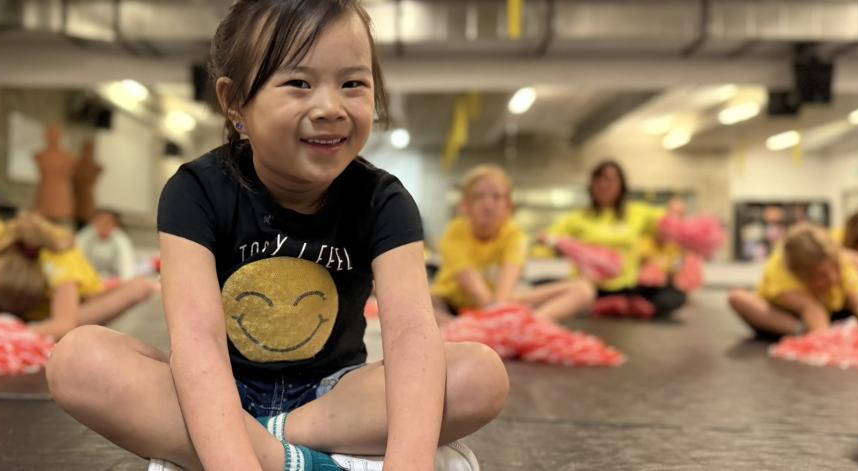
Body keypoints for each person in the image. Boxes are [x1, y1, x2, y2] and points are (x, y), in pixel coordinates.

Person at [45, 2, 508, 470]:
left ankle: (277, 444)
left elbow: (411, 335)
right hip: (218, 387)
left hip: (333, 403)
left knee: (480, 375)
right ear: (234, 102)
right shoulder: (196, 191)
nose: (330, 108)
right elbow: (197, 342)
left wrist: (408, 462)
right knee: (77, 359)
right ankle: (293, 460)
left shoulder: (382, 199)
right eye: (298, 84)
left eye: (353, 84)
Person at [0, 212, 155, 339]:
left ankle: (29, 322)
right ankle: (14, 316)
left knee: (141, 286)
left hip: (57, 309)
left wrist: (1, 333)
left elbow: (64, 323)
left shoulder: (58, 255)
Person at [431, 164, 595, 324]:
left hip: (499, 303)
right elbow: (473, 286)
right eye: (478, 196)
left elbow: (503, 294)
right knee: (424, 301)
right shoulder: (454, 233)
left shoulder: (515, 236)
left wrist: (499, 312)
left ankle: (527, 326)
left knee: (583, 289)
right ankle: (469, 329)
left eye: (497, 197)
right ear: (465, 206)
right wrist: (498, 315)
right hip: (453, 304)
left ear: (508, 207)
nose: (487, 203)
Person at [546, 160, 684, 319]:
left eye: (610, 180)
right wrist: (555, 243)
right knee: (543, 284)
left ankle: (608, 305)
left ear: (621, 185)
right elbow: (548, 237)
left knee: (675, 295)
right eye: (599, 179)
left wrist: (675, 213)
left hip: (628, 287)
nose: (604, 185)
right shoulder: (578, 217)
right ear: (591, 185)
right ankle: (608, 305)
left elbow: (667, 222)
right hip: (589, 286)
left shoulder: (637, 212)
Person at [728, 223, 858, 340]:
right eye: (821, 276)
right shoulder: (783, 275)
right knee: (738, 298)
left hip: (832, 312)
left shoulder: (843, 263)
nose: (833, 278)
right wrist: (827, 339)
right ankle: (802, 331)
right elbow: (814, 312)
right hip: (789, 314)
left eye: (836, 268)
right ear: (802, 277)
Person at [76, 208, 138, 283]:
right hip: (88, 279)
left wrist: (122, 281)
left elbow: (127, 266)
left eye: (108, 222)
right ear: (94, 222)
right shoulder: (84, 237)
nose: (104, 225)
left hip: (114, 279)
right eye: (100, 221)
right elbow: (76, 261)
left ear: (115, 224)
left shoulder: (121, 240)